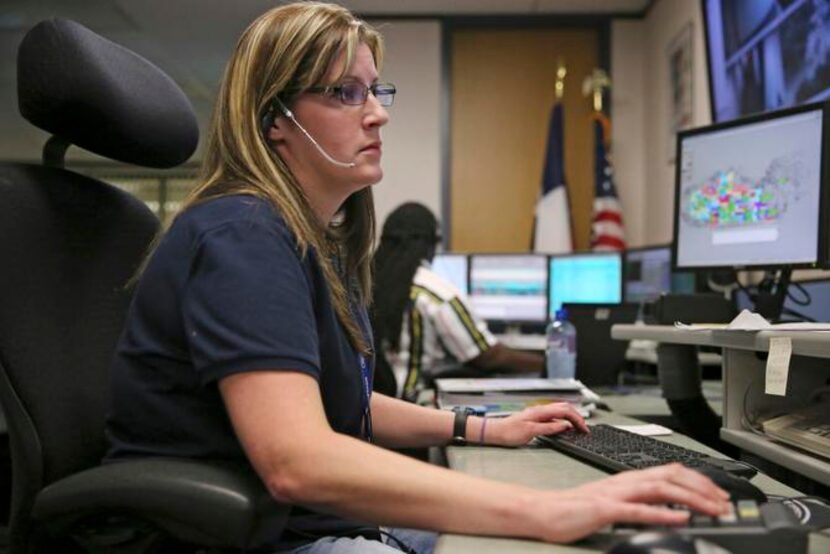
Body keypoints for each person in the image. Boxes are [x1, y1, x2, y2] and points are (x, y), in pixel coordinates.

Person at [105, 3, 731, 553]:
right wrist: (550, 509)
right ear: (275, 120)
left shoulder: (307, 239)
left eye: (377, 91)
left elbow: (339, 401)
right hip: (223, 536)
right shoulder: (242, 235)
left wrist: (485, 428)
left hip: (289, 521)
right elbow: (296, 460)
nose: (377, 114)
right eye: (345, 93)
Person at [372, 202, 544, 401]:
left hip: (372, 405)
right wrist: (548, 363)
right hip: (414, 404)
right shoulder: (435, 294)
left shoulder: (363, 283)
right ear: (430, 246)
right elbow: (488, 357)